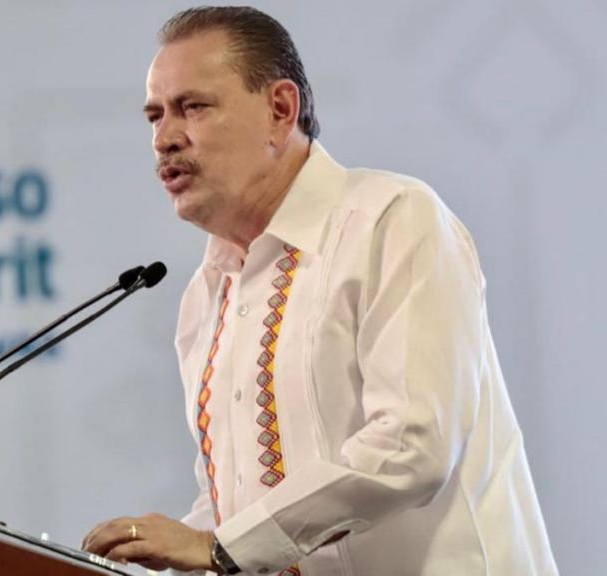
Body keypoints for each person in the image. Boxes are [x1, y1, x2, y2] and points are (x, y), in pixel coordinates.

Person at [81, 6, 557, 575]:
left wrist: (218, 548)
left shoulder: (391, 220)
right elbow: (232, 507)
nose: (164, 139)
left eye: (193, 107)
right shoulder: (205, 296)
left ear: (281, 110)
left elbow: (413, 446)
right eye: (154, 116)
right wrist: (175, 550)